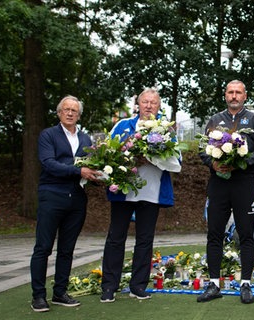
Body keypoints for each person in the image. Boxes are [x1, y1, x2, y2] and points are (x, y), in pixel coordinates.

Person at [100, 88, 177, 303]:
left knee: (145, 240)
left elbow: (175, 160)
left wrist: (151, 158)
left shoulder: (165, 130)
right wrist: (129, 158)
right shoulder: (122, 126)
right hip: (123, 192)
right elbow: (108, 154)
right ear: (138, 104)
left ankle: (138, 285)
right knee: (116, 238)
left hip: (151, 193)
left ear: (159, 106)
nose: (149, 106)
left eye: (153, 102)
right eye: (145, 102)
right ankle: (109, 286)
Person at [197, 80, 254, 304]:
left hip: (243, 184)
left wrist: (244, 162)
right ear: (225, 95)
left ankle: (245, 284)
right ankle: (214, 284)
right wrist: (213, 163)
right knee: (215, 234)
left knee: (246, 234)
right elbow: (202, 149)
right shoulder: (215, 120)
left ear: (245, 96)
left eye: (238, 92)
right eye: (230, 92)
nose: (234, 96)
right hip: (218, 183)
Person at [30, 95, 102, 312]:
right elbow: (49, 163)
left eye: (74, 111)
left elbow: (92, 166)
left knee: (67, 249)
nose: (70, 113)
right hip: (52, 195)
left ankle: (60, 292)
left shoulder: (86, 139)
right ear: (59, 112)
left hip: (77, 198)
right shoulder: (48, 135)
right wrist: (77, 170)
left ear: (79, 115)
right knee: (43, 247)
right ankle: (38, 296)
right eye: (66, 109)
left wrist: (103, 177)